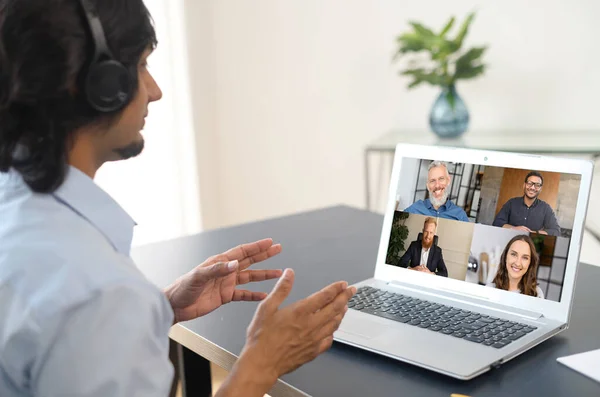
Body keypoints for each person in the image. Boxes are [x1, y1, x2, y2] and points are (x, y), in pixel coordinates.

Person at [0, 1, 356, 396]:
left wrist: (157, 309)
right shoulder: (99, 291)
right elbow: (83, 307)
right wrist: (264, 360)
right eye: (141, 66)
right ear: (98, 83)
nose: (155, 91)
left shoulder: (18, 215)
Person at [492, 171, 561, 236]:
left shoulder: (545, 208)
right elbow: (497, 223)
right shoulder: (511, 203)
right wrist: (514, 229)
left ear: (540, 189)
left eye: (537, 185)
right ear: (524, 185)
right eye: (530, 183)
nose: (532, 187)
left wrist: (532, 233)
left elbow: (556, 231)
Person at [403, 160, 469, 222]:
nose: (437, 185)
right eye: (432, 181)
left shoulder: (460, 215)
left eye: (441, 179)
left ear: (448, 181)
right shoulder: (414, 209)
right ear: (428, 186)